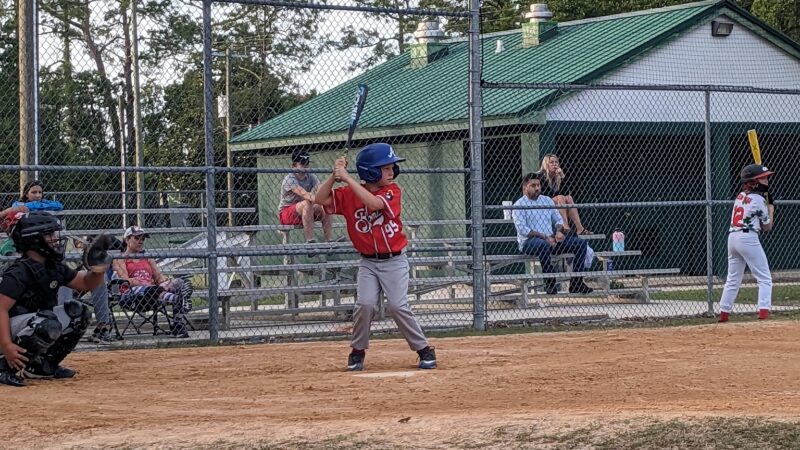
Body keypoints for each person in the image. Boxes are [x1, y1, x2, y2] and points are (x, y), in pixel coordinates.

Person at [314, 143, 436, 371]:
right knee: (365, 305)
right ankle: (357, 351)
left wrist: (347, 179)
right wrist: (334, 176)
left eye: (392, 168)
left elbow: (373, 204)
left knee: (398, 306)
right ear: (370, 172)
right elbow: (320, 199)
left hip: (394, 260)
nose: (392, 172)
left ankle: (424, 349)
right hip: (368, 262)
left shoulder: (392, 191)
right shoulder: (349, 194)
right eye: (386, 168)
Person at [0, 212, 112, 387]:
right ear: (34, 240)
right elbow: (1, 309)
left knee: (78, 313)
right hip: (7, 331)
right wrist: (6, 345)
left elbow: (84, 283)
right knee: (47, 322)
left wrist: (98, 269)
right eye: (49, 235)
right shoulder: (19, 271)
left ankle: (42, 366)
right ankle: (4, 368)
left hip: (33, 323)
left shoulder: (53, 267)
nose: (55, 239)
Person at [512, 172, 593, 295]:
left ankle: (577, 283)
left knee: (581, 244)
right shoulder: (519, 205)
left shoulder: (547, 200)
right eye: (533, 185)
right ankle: (550, 283)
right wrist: (545, 238)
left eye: (538, 185)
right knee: (543, 245)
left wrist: (559, 232)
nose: (537, 188)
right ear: (525, 188)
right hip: (530, 242)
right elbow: (524, 230)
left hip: (552, 239)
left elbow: (558, 220)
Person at [112, 226, 192, 338]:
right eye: (137, 238)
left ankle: (178, 325)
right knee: (151, 289)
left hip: (154, 293)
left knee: (179, 282)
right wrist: (144, 284)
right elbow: (126, 281)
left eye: (143, 238)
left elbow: (159, 277)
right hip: (132, 295)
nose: (140, 241)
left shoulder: (147, 257)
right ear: (127, 239)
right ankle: (177, 300)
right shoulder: (120, 258)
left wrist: (167, 282)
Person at [719, 164, 775, 322]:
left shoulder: (740, 196)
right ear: (753, 181)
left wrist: (765, 199)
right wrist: (771, 207)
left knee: (733, 279)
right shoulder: (758, 200)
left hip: (733, 238)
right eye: (762, 178)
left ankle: (724, 313)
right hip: (748, 238)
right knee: (764, 278)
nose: (766, 180)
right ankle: (763, 313)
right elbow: (768, 226)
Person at [278, 149, 336, 246]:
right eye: (302, 164)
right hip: (287, 213)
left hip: (306, 212)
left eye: (307, 164)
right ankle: (309, 242)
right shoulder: (290, 178)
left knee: (325, 205)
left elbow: (320, 189)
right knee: (307, 201)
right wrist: (319, 199)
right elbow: (304, 194)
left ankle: (329, 241)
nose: (305, 167)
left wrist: (329, 196)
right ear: (293, 166)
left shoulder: (310, 176)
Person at [538, 154, 591, 235]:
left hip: (557, 203)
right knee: (560, 197)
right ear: (546, 164)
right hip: (543, 203)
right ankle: (565, 227)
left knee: (568, 198)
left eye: (556, 162)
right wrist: (558, 197)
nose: (555, 164)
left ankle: (580, 228)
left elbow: (566, 192)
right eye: (551, 162)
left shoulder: (558, 177)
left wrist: (562, 176)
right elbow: (545, 194)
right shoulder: (541, 176)